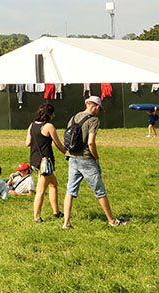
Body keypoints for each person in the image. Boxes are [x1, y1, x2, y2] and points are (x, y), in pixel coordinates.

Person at [63, 96, 129, 228]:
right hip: (86, 160)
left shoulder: (74, 117)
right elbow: (91, 142)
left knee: (70, 191)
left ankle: (66, 223)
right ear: (97, 106)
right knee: (100, 191)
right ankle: (112, 221)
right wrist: (96, 157)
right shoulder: (94, 120)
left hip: (72, 157)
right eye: (99, 109)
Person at [26, 103, 66, 222]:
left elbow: (28, 143)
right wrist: (68, 153)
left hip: (34, 160)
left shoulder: (32, 125)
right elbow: (58, 144)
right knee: (40, 191)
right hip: (45, 164)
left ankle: (56, 212)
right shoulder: (48, 126)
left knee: (53, 184)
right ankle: (36, 217)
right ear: (49, 114)